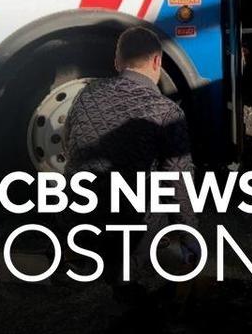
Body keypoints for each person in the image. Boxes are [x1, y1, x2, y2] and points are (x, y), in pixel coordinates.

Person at [63, 26, 197, 325]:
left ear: (116, 62)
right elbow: (178, 180)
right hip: (126, 230)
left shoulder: (86, 95)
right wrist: (190, 235)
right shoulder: (165, 111)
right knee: (161, 190)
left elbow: (69, 146)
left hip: (76, 221)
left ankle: (106, 270)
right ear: (157, 62)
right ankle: (135, 284)